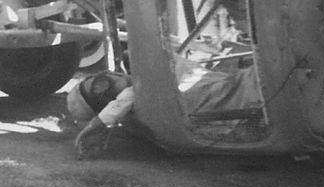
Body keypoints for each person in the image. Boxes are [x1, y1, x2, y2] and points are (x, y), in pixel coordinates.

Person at [68, 58, 262, 158]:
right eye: (101, 88)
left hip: (245, 88)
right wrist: (98, 122)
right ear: (105, 103)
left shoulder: (143, 88)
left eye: (103, 76)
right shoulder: (140, 107)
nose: (111, 77)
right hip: (251, 101)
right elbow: (135, 93)